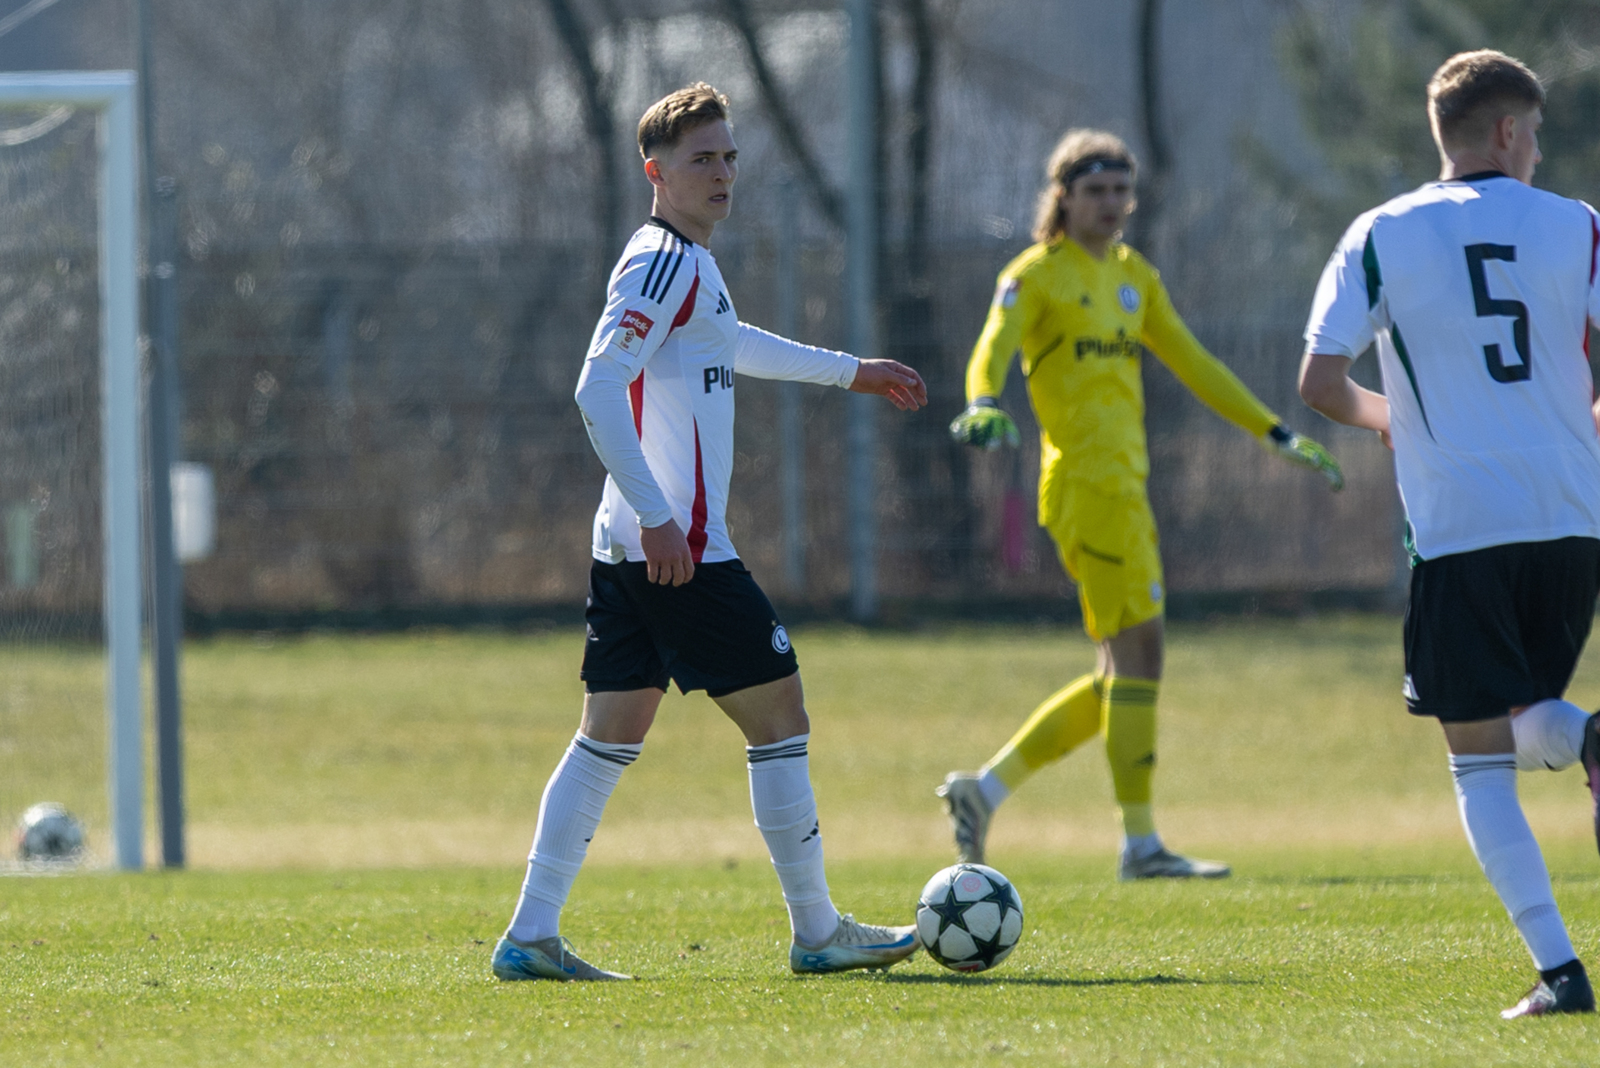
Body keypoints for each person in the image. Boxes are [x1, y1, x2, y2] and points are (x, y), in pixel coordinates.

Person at [492, 83, 929, 982]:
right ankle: (818, 930)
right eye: (702, 159)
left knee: (608, 735)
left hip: (631, 546)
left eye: (730, 156)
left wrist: (854, 372)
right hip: (677, 551)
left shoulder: (688, 263)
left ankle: (530, 937)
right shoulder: (662, 262)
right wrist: (660, 518)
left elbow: (729, 345)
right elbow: (594, 388)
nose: (722, 172)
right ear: (656, 172)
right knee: (781, 719)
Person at [939, 128, 1344, 881]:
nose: (1113, 204)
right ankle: (1140, 845)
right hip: (1088, 490)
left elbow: (1195, 361)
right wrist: (983, 400)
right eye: (1096, 190)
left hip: (1127, 487)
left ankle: (984, 791)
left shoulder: (1134, 277)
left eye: (1122, 190)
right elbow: (994, 342)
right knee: (1141, 657)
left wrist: (1275, 431)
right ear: (1063, 196)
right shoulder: (1037, 274)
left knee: (1121, 673)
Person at [1300, 50, 1600, 1019]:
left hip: (1461, 522)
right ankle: (1586, 736)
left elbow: (1318, 381)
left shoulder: (1380, 232)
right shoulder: (1579, 226)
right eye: (1537, 135)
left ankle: (1560, 975)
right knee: (1521, 721)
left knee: (1475, 756)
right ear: (1507, 132)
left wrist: (1395, 420)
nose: (1540, 151)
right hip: (1569, 518)